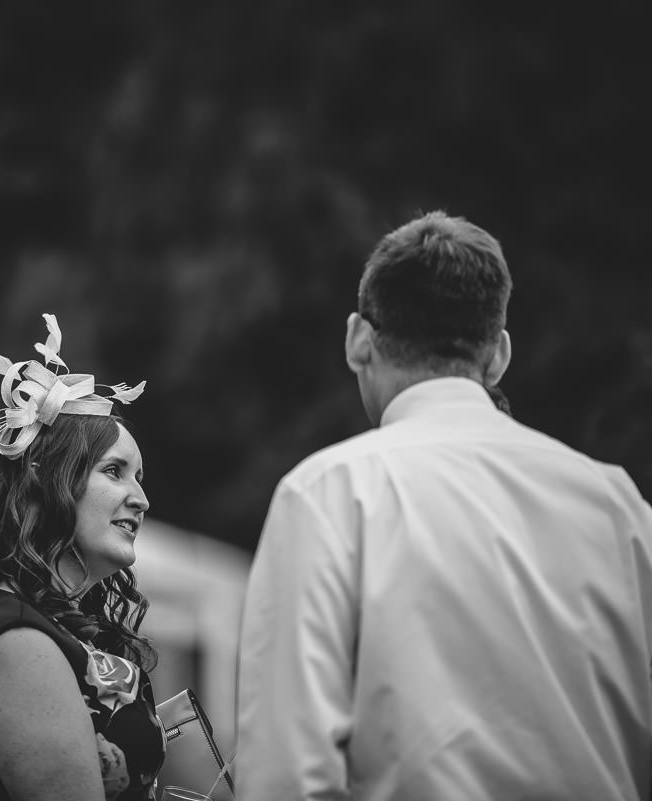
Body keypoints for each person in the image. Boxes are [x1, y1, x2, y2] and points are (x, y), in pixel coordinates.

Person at [235, 211, 652, 800]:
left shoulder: (327, 494)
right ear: (498, 354)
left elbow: (286, 774)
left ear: (358, 340)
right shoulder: (617, 506)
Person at [0, 313, 163, 801]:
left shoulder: (55, 625)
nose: (141, 499)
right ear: (49, 484)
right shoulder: (14, 639)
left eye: (139, 477)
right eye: (114, 471)